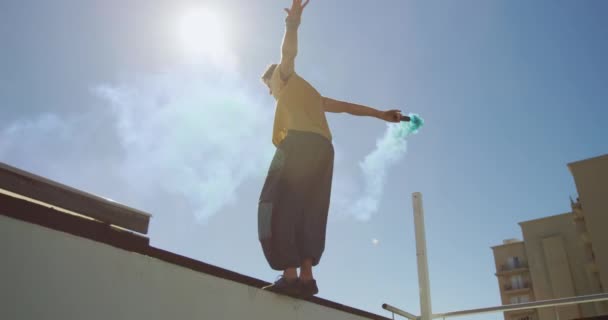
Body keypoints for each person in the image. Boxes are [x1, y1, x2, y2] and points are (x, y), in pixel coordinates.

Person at [258, 0, 403, 298]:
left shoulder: (285, 79)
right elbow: (348, 108)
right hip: (324, 151)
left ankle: (289, 273)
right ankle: (307, 278)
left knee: (277, 204)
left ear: (274, 79)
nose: (270, 93)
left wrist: (293, 23)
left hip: (297, 146)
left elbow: (288, 54)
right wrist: (381, 114)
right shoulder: (311, 95)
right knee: (311, 208)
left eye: (268, 87)